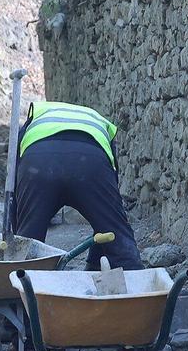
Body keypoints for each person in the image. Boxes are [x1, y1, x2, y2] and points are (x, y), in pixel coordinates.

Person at [10, 98, 142, 270]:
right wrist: (94, 264)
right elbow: (108, 208)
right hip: (90, 163)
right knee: (115, 233)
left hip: (39, 164)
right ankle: (138, 287)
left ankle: (22, 286)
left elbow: (14, 189)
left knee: (28, 247)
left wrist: (19, 235)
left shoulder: (34, 120)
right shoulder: (97, 122)